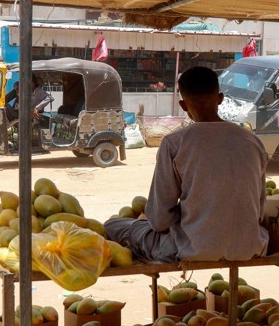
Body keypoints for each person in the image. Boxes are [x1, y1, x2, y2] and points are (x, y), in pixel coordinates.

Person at [105, 66, 269, 263]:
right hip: (251, 247)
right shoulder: (252, 141)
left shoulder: (174, 143)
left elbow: (159, 220)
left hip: (193, 249)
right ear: (220, 98)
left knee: (115, 225)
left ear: (183, 105)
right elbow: (259, 213)